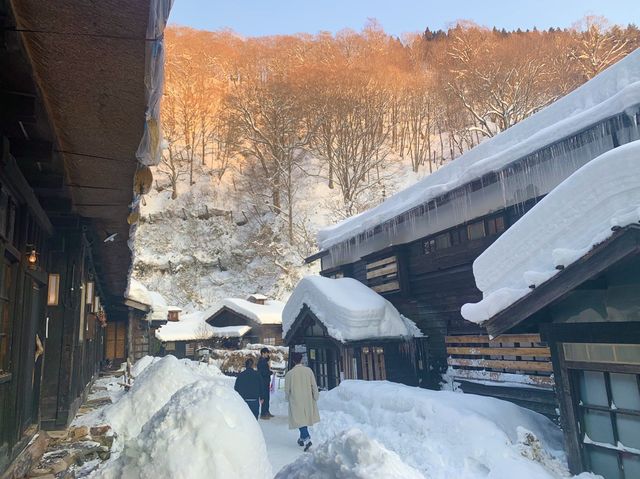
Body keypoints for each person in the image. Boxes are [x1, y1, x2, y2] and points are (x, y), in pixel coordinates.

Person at [284, 352, 320, 451]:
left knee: (299, 420)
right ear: (302, 360)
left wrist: (287, 398)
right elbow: (313, 384)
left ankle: (307, 439)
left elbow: (287, 390)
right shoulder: (308, 371)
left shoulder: (290, 374)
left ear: (293, 361)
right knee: (303, 420)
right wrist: (316, 396)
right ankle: (301, 438)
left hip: (296, 399)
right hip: (308, 398)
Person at [257, 347, 274, 419]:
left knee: (267, 397)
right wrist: (270, 372)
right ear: (263, 353)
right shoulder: (261, 362)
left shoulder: (264, 361)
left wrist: (268, 359)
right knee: (264, 397)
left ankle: (267, 411)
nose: (268, 355)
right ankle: (263, 413)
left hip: (266, 381)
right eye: (267, 353)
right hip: (263, 381)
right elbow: (264, 372)